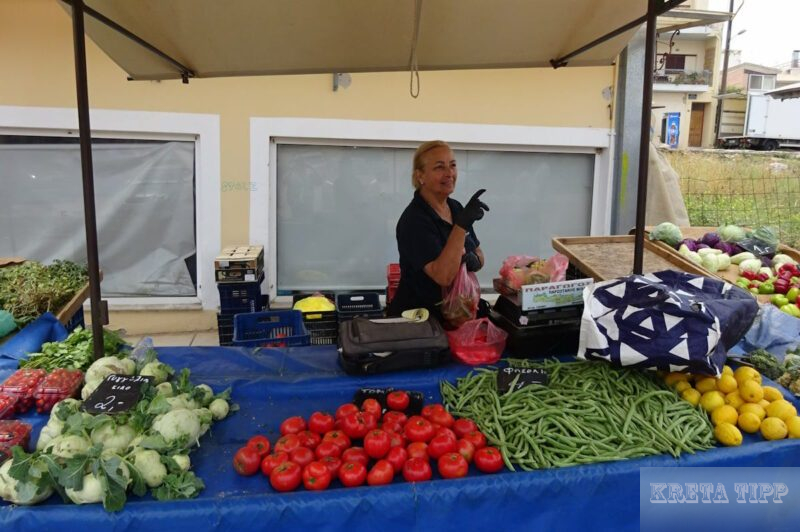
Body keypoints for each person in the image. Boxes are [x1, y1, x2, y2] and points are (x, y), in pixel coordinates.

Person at [387, 140, 489, 322]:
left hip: (457, 315)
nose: (449, 173)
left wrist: (473, 261)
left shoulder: (456, 208)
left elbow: (480, 255)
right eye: (439, 167)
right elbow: (443, 276)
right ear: (420, 176)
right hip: (421, 322)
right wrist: (460, 226)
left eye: (453, 165)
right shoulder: (414, 221)